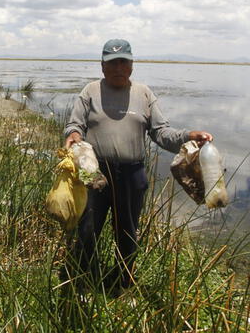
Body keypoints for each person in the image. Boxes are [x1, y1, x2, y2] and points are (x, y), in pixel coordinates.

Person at [63, 38, 212, 293]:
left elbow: (162, 133)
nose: (118, 68)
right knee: (87, 230)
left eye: (123, 62)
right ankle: (82, 283)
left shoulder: (144, 93)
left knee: (128, 233)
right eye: (112, 63)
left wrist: (188, 136)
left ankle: (124, 283)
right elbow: (74, 125)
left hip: (132, 175)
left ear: (132, 65)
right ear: (102, 66)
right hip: (94, 173)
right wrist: (74, 136)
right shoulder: (90, 91)